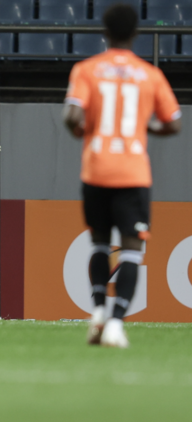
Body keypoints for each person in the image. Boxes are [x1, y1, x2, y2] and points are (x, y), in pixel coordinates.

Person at [63, 4, 181, 348]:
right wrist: (145, 128)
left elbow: (71, 116)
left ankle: (98, 311)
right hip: (132, 172)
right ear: (135, 34)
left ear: (104, 31)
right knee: (131, 250)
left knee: (100, 241)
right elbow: (174, 122)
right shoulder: (150, 75)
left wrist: (83, 132)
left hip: (96, 167)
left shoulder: (87, 69)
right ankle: (116, 323)